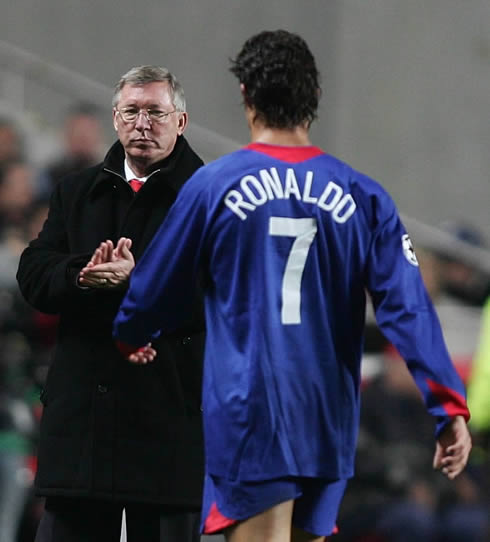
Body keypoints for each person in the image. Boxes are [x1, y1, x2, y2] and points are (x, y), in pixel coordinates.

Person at [112, 31, 472, 542]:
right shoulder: (364, 195)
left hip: (251, 409)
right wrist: (448, 406)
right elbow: (408, 308)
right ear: (315, 98)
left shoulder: (215, 185)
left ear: (245, 95)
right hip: (327, 417)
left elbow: (153, 290)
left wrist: (131, 333)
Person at [16, 65, 206, 542]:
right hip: (84, 424)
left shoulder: (210, 197)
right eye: (132, 111)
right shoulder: (75, 191)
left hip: (167, 421)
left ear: (180, 121)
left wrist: (136, 279)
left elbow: (223, 292)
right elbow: (33, 272)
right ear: (116, 119)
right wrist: (82, 273)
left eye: (156, 112)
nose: (143, 123)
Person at [36, 102, 104, 199]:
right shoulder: (50, 175)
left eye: (88, 132)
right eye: (77, 133)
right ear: (66, 135)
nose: (83, 139)